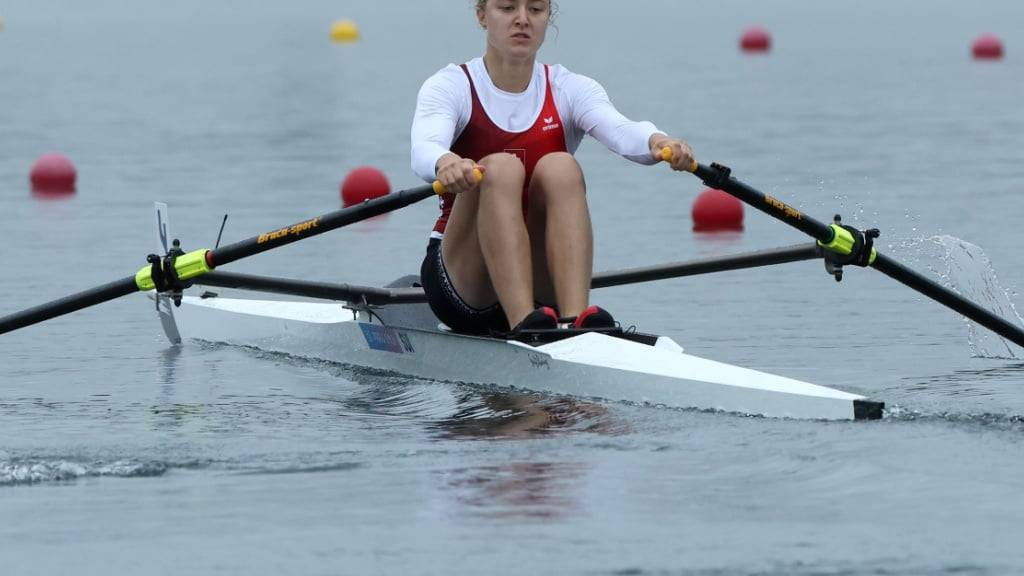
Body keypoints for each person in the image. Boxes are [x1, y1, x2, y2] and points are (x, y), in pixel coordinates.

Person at [411, 0, 693, 336]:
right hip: (464, 283)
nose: (522, 20)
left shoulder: (569, 88)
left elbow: (621, 130)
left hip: (539, 280)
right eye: (506, 7)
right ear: (482, 15)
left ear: (548, 18)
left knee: (562, 167)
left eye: (535, 9)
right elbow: (424, 147)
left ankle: (574, 323)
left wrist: (657, 140)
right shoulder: (451, 85)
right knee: (500, 169)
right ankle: (523, 324)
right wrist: (446, 161)